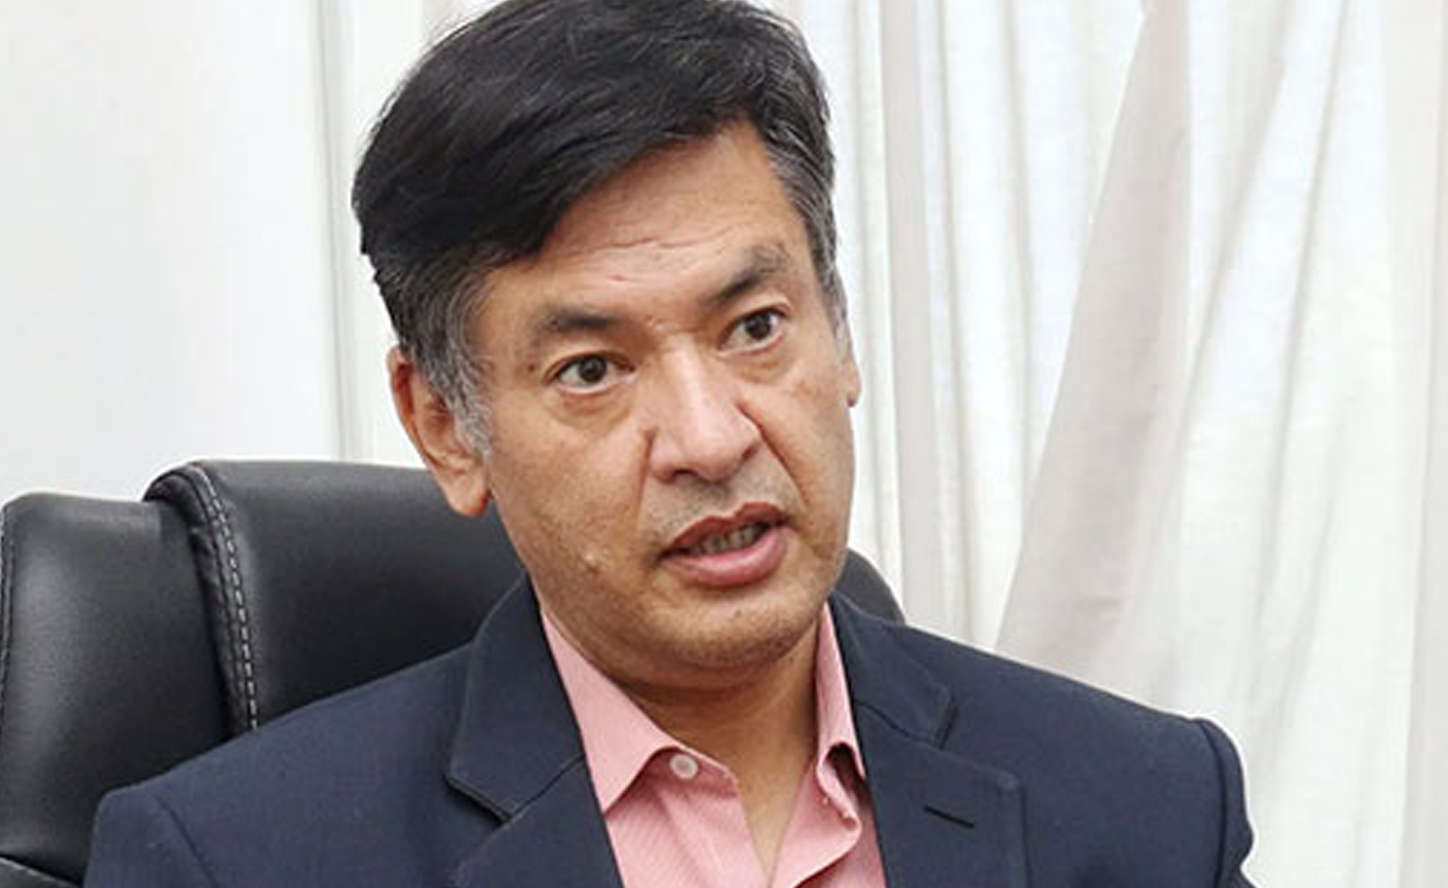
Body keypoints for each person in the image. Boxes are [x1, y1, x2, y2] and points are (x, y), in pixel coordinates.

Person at [84, 1, 1255, 885]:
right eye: (592, 369)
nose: (708, 437)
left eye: (755, 328)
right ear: (444, 424)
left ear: (840, 330)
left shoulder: (1145, 807)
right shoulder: (230, 861)